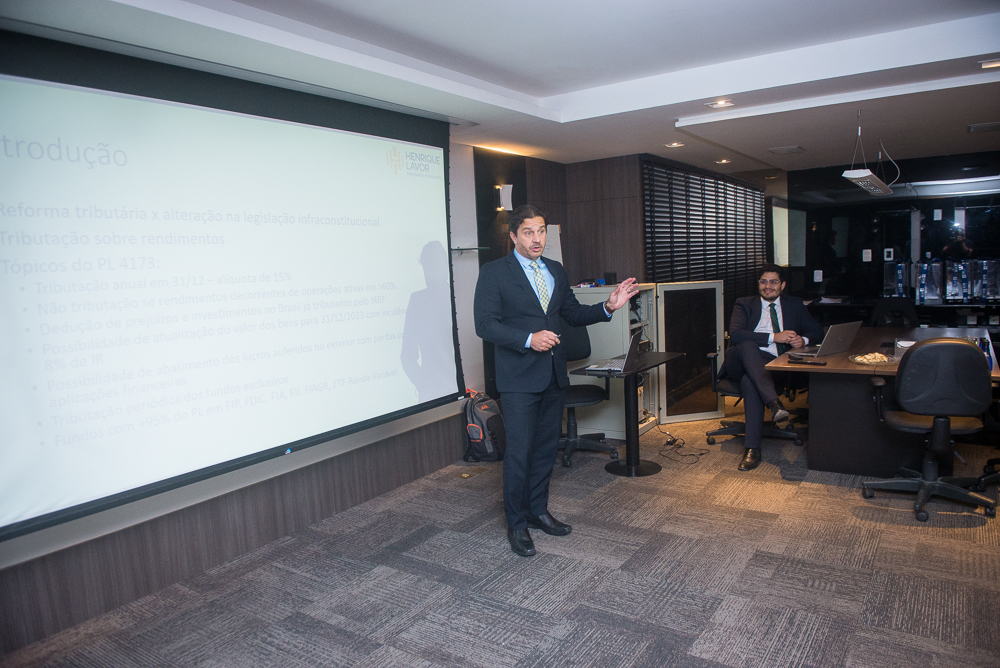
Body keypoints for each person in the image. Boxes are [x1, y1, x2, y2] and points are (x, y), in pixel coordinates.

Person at [474, 204, 639, 557]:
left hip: (552, 375)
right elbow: (485, 325)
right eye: (528, 232)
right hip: (519, 378)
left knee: (546, 449)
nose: (537, 239)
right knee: (520, 452)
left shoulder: (555, 269)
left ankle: (537, 511)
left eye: (541, 231)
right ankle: (517, 523)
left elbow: (572, 314)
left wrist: (608, 306)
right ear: (513, 236)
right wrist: (528, 339)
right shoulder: (494, 272)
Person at [718, 263, 823, 472]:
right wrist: (774, 337)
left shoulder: (794, 304)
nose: (768, 286)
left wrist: (803, 339)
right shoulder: (744, 304)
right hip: (740, 361)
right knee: (748, 345)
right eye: (763, 282)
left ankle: (752, 449)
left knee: (750, 382)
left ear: (782, 285)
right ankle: (774, 402)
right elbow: (736, 334)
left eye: (773, 282)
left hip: (773, 366)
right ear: (758, 284)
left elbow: (817, 331)